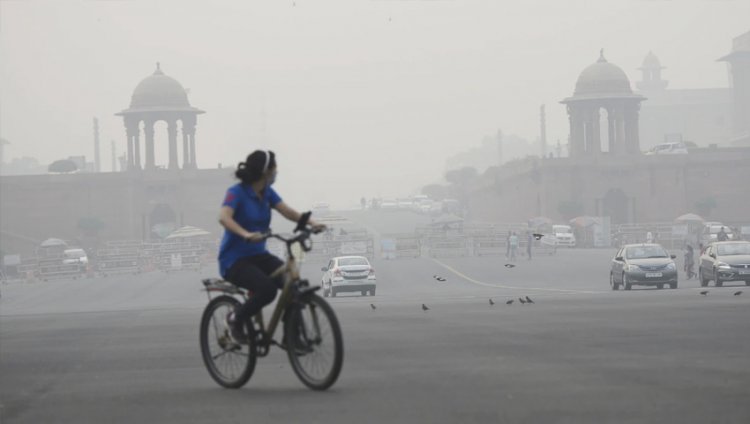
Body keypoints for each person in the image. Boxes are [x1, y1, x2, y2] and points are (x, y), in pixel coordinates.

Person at [218, 150, 326, 343]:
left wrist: (312, 223)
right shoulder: (236, 193)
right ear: (266, 171)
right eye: (275, 169)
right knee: (267, 290)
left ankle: (292, 337)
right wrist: (246, 234)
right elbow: (224, 217)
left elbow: (288, 211)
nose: (277, 172)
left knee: (294, 287)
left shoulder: (267, 192)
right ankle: (235, 318)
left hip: (259, 256)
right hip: (234, 260)